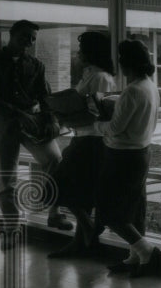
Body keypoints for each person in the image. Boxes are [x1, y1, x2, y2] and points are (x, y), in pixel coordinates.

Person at [0, 19, 73, 244]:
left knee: (54, 160)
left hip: (32, 121)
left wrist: (49, 118)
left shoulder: (37, 65)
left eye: (32, 39)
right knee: (6, 176)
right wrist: (19, 114)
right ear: (11, 35)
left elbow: (44, 95)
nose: (28, 42)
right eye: (25, 37)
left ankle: (54, 213)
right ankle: (11, 228)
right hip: (2, 122)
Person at [91, 39, 161, 277]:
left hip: (122, 156)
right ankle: (134, 256)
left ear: (125, 63)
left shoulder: (132, 91)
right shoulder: (150, 86)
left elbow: (116, 128)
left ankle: (146, 250)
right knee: (133, 208)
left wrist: (97, 124)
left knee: (109, 211)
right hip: (142, 152)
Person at [48, 31, 117, 259]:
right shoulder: (88, 74)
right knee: (80, 192)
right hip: (81, 136)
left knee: (59, 185)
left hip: (94, 140)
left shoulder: (102, 78)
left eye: (81, 50)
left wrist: (75, 112)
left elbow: (104, 114)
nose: (78, 54)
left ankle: (88, 227)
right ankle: (83, 241)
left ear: (91, 53)